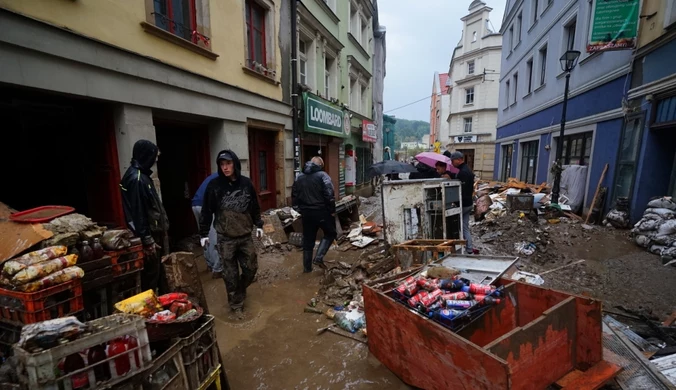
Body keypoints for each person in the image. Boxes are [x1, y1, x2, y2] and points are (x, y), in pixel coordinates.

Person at [199, 150, 264, 316]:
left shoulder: (246, 184)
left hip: (244, 236)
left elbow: (255, 206)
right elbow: (206, 210)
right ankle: (236, 304)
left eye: (228, 163)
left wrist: (259, 224)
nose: (225, 167)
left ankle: (240, 291)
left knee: (251, 269)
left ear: (235, 164)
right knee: (230, 274)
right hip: (225, 238)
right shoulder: (214, 186)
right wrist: (204, 233)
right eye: (222, 164)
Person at [119, 139, 169, 293]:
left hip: (154, 231)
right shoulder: (137, 179)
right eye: (154, 157)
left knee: (158, 271)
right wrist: (147, 240)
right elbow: (138, 212)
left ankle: (161, 301)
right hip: (149, 234)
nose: (155, 161)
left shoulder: (142, 176)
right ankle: (150, 307)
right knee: (151, 275)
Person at [291, 156, 337, 273]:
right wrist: (331, 210)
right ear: (320, 165)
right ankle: (319, 257)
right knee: (330, 233)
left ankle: (307, 269)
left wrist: (300, 210)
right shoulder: (323, 176)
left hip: (306, 214)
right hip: (321, 212)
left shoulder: (299, 177)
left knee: (308, 241)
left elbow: (294, 196)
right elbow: (329, 194)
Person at [191, 172, 221, 279]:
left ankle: (209, 264)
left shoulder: (214, 176)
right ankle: (218, 269)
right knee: (215, 238)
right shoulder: (223, 179)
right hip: (205, 206)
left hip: (195, 205)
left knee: (205, 236)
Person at [448, 151, 478, 254]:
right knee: (465, 227)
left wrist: (454, 202)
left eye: (453, 160)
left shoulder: (463, 172)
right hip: (469, 203)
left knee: (456, 227)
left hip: (463, 203)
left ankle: (457, 248)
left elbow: (461, 189)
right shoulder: (466, 170)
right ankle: (469, 249)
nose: (452, 163)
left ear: (459, 160)